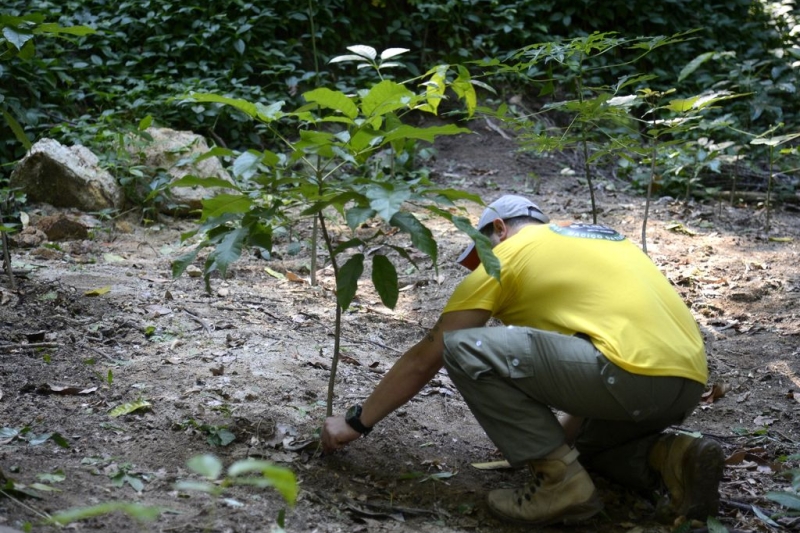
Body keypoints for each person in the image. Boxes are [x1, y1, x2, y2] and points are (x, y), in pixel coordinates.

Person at [322, 194, 724, 526]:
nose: (481, 265)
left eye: (481, 253)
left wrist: (356, 422)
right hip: (684, 384)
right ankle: (673, 457)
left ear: (499, 229)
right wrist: (560, 442)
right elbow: (599, 339)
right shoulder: (597, 243)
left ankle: (558, 484)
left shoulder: (510, 253)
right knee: (583, 449)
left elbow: (428, 356)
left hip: (626, 375)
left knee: (461, 347)